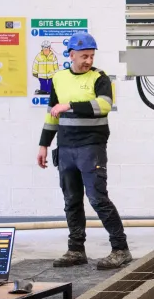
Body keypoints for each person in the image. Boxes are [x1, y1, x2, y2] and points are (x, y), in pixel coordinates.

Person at [36, 32, 131, 269]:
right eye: (84, 56)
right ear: (71, 55)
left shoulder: (100, 78)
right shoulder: (59, 78)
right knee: (71, 201)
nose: (88, 60)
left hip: (91, 147)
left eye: (91, 55)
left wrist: (70, 105)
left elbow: (105, 106)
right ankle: (76, 250)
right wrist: (44, 145)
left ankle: (120, 248)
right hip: (66, 148)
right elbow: (52, 114)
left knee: (97, 198)